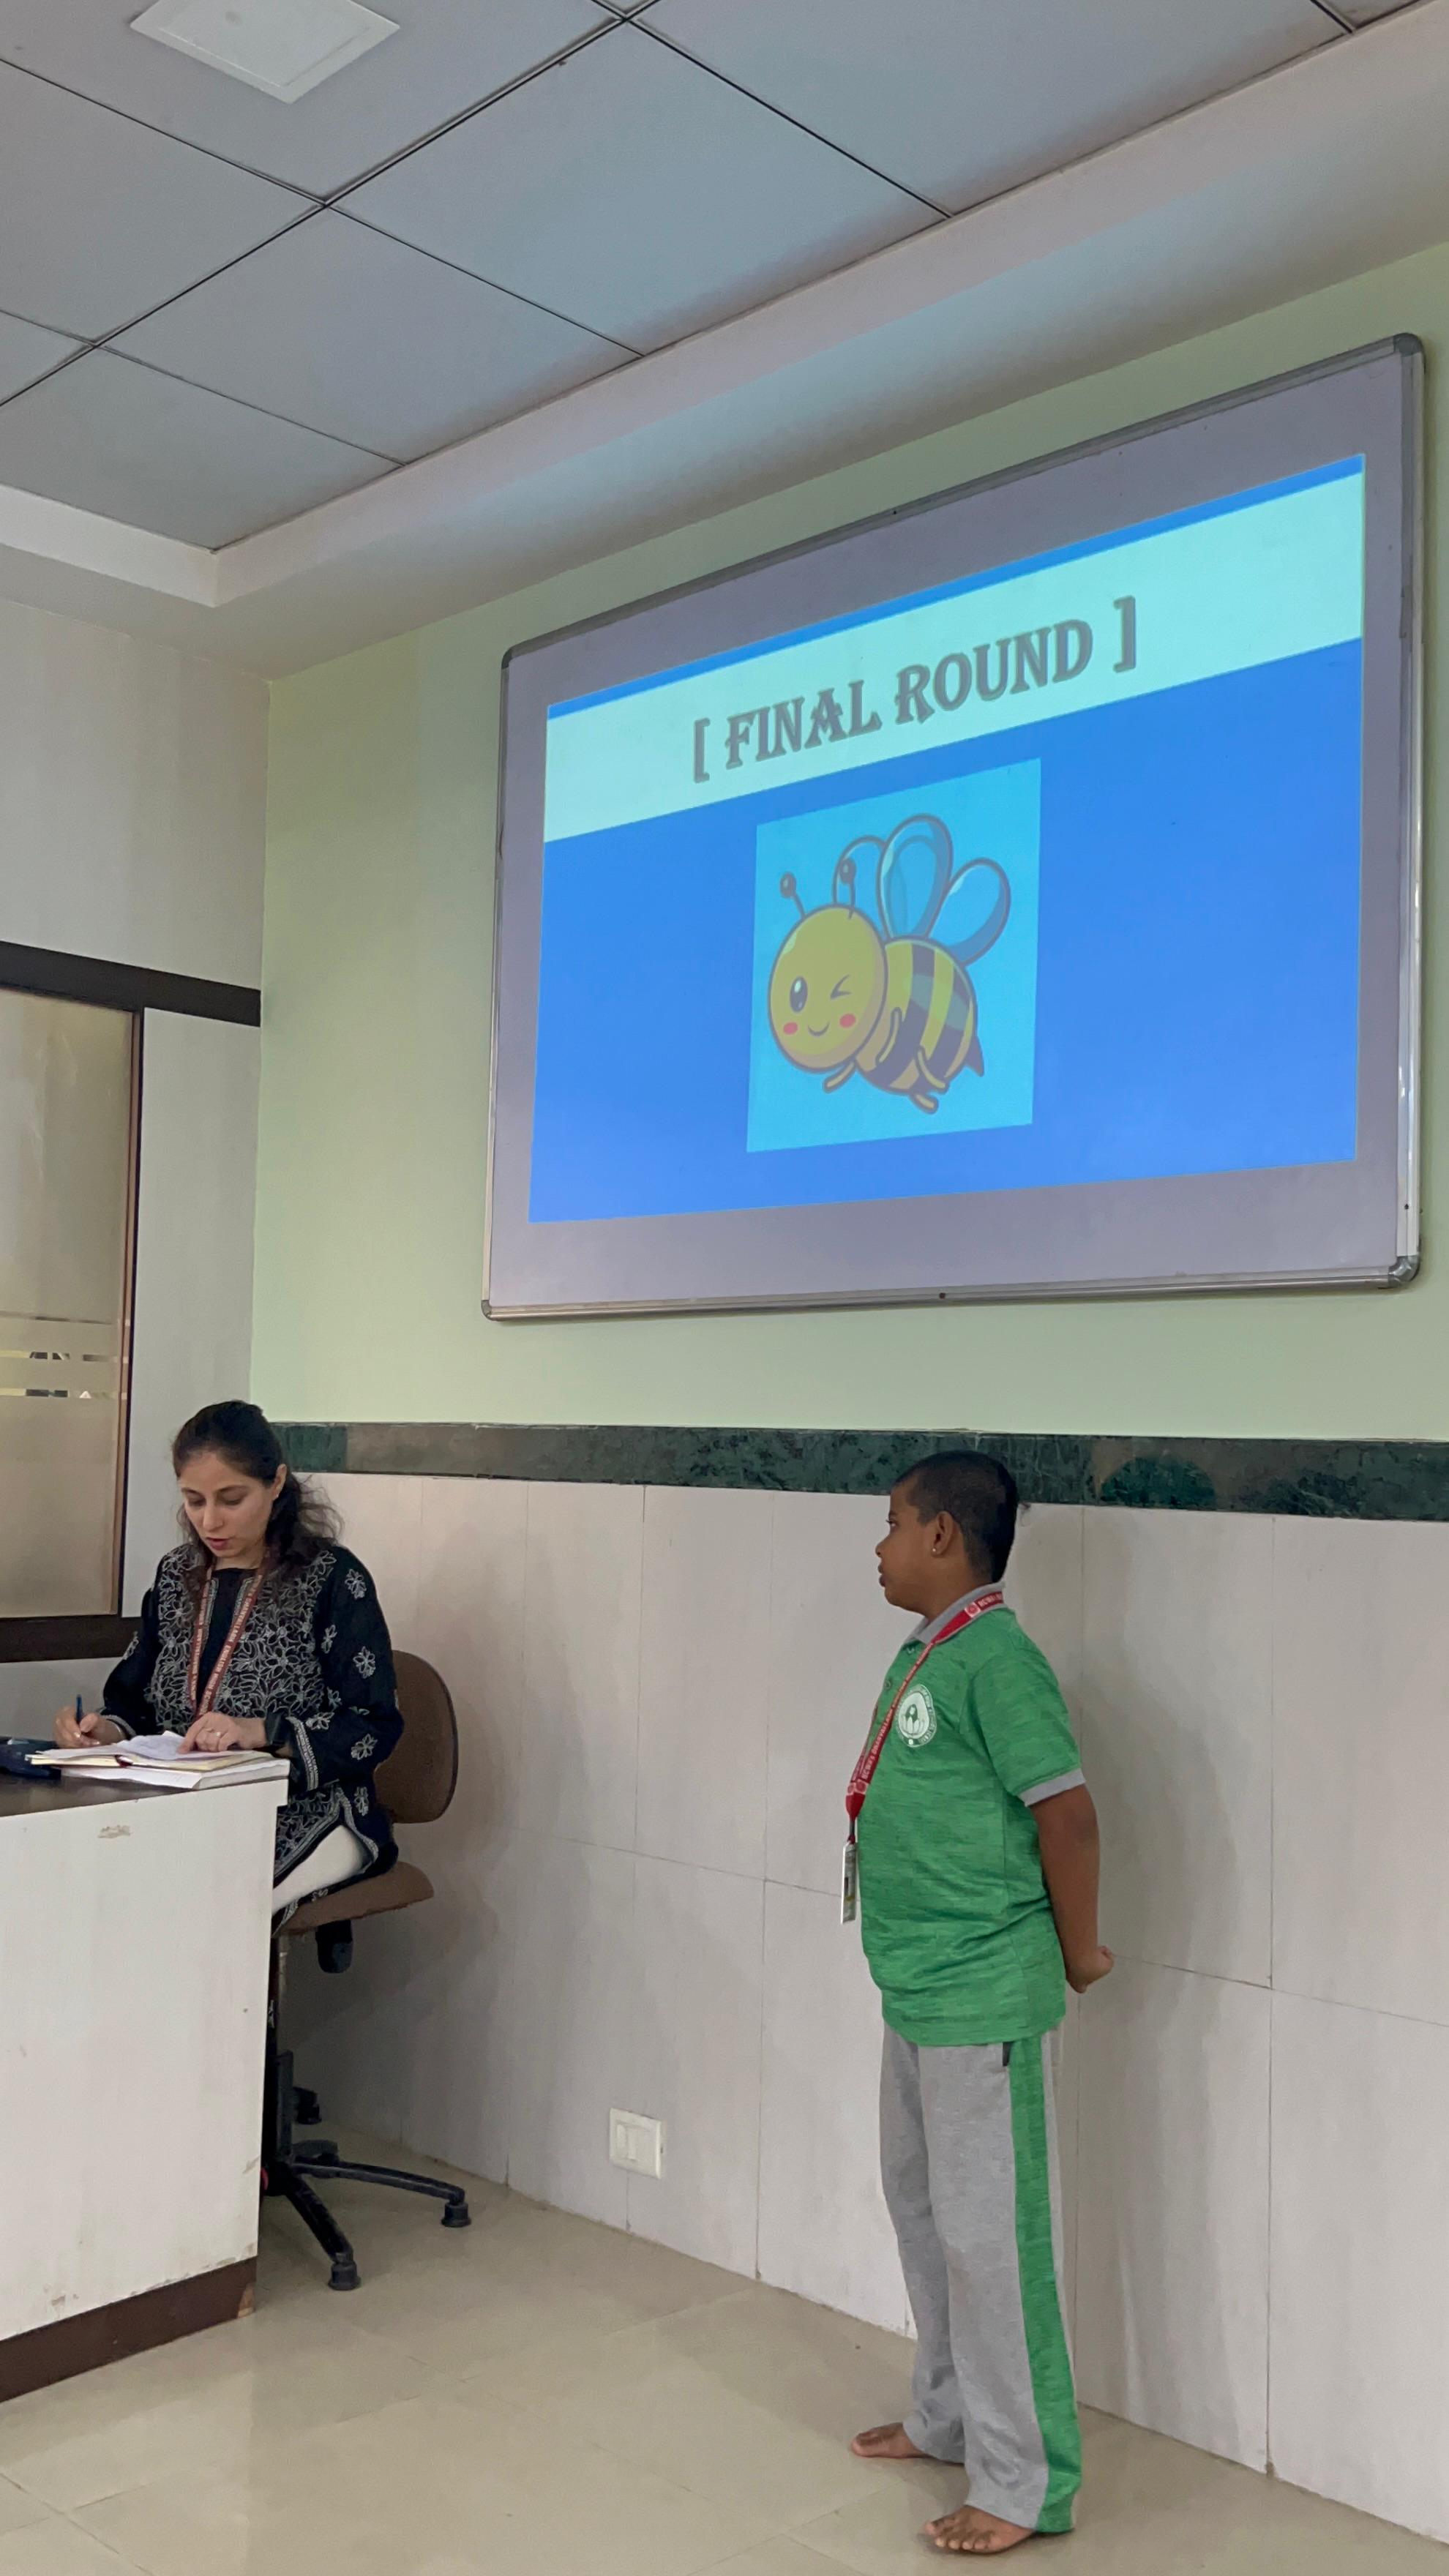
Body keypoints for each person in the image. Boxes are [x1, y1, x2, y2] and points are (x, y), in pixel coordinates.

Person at [846, 1450, 1112, 2558]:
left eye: (892, 1523)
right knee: (923, 2213)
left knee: (991, 2242)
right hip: (916, 1986)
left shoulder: (999, 1660)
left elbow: (1068, 1815)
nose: (879, 1546)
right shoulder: (931, 1648)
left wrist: (1080, 1950)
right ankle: (948, 2416)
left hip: (984, 1992)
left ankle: (1023, 2479)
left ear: (943, 1535)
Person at [56, 1400, 402, 1917]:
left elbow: (373, 1724)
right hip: (185, 1807)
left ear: (276, 1482)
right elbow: (134, 1703)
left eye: (232, 1499)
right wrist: (102, 1731)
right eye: (193, 1501)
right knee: (99, 1891)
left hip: (308, 1809)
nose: (209, 1520)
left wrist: (262, 1731)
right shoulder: (177, 1575)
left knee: (208, 1912)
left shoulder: (332, 1579)